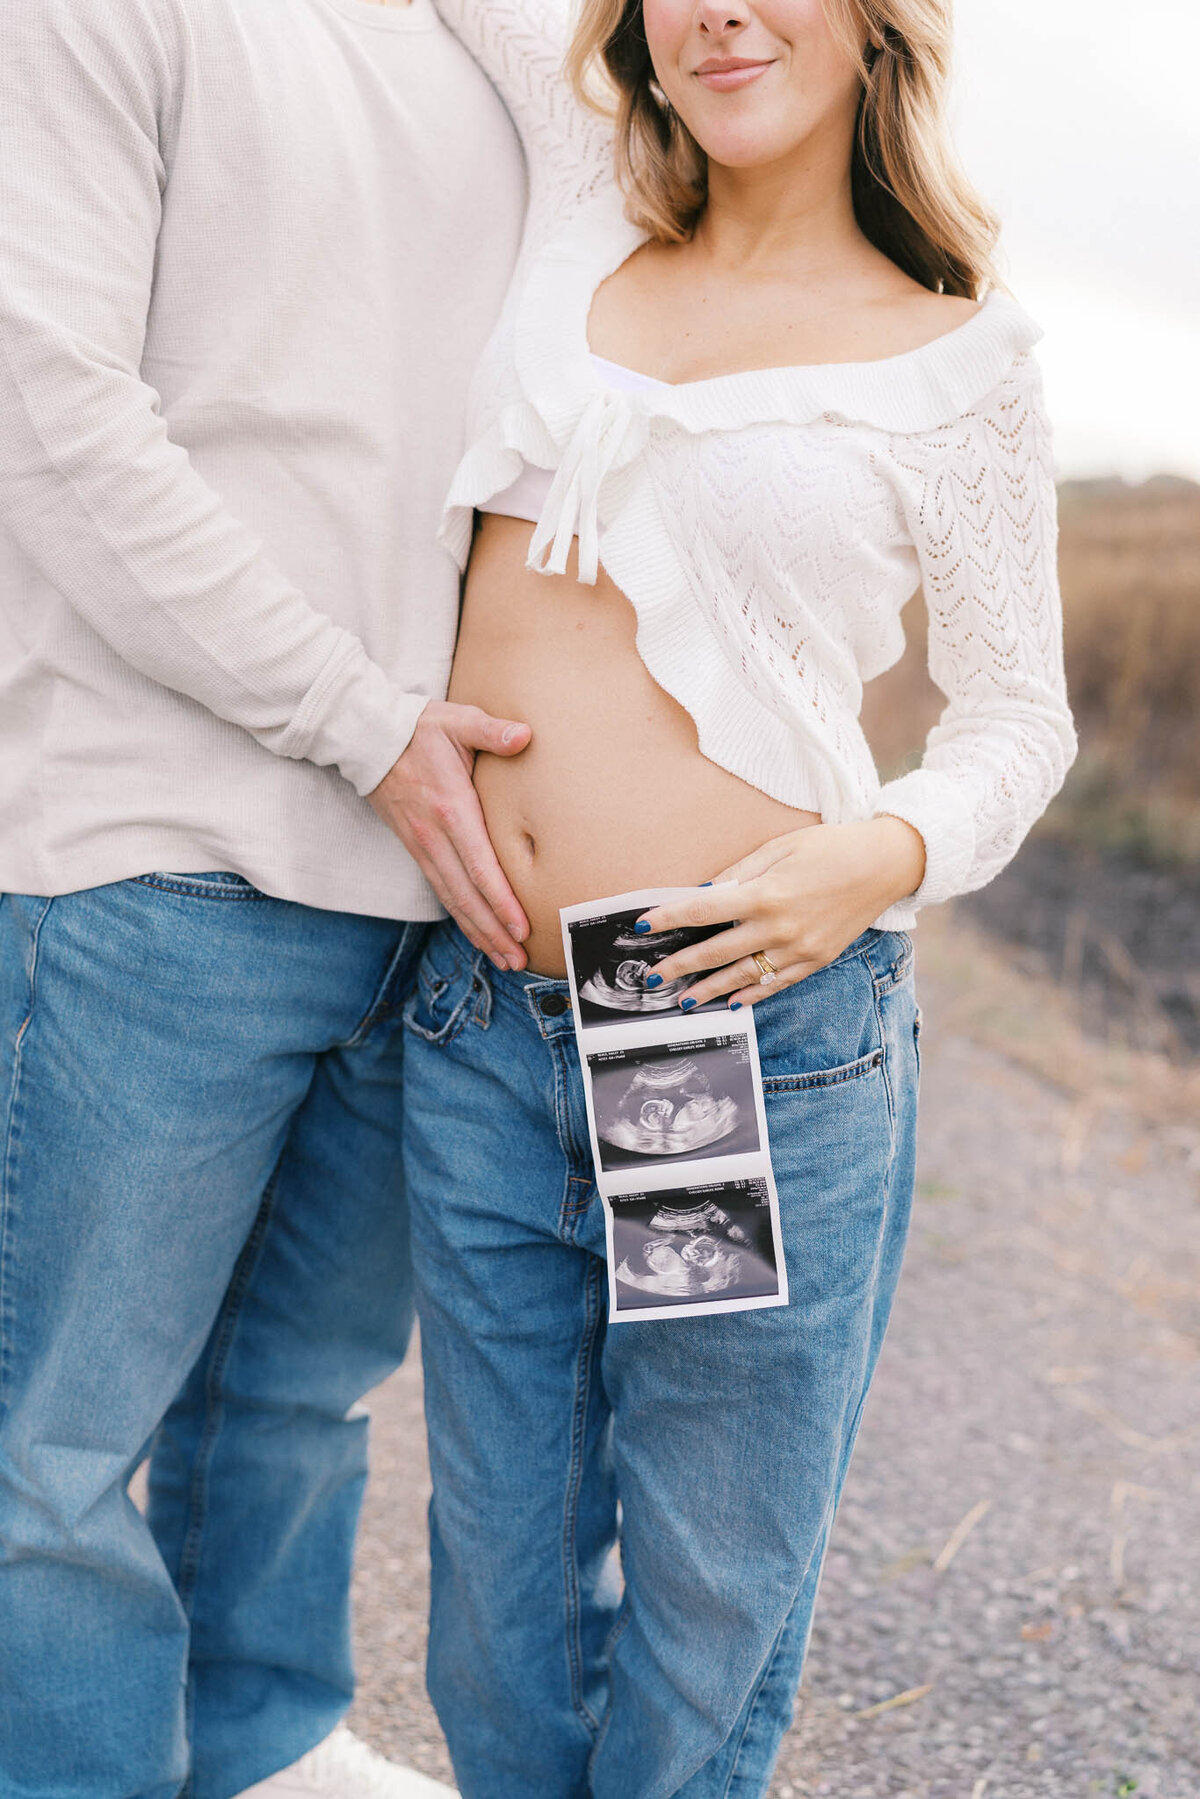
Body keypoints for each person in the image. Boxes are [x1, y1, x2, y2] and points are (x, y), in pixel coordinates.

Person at [400, 0, 1076, 1793]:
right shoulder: (580, 211)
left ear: (875, 28)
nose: (718, 10)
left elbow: (1017, 720)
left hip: (704, 1030)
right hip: (483, 1011)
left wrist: (884, 852)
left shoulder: (954, 357)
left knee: (705, 1601)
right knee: (497, 1604)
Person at [0, 0, 533, 1794]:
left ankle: (260, 1744)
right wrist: (361, 722)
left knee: (295, 1399)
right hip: (156, 850)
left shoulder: (496, 42)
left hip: (424, 883)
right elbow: (52, 420)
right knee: (53, 1450)